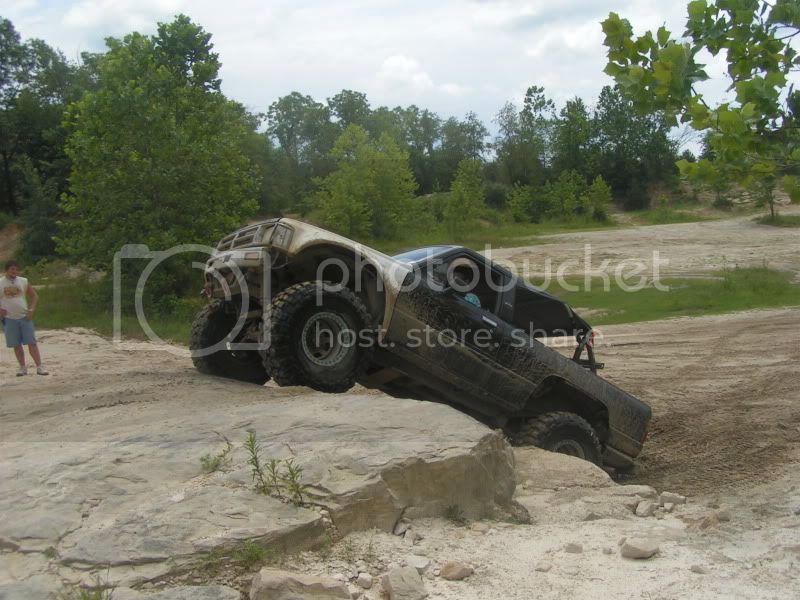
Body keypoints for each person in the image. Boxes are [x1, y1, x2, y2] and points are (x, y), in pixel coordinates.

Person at [0, 260, 48, 376]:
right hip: (9, 318)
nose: (14, 272)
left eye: (16, 269)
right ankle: (22, 367)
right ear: (7, 270)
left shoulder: (23, 281)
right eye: (12, 269)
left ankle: (39, 366)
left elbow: (34, 296)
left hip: (24, 317)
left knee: (31, 342)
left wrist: (31, 310)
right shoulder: (0, 283)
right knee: (16, 345)